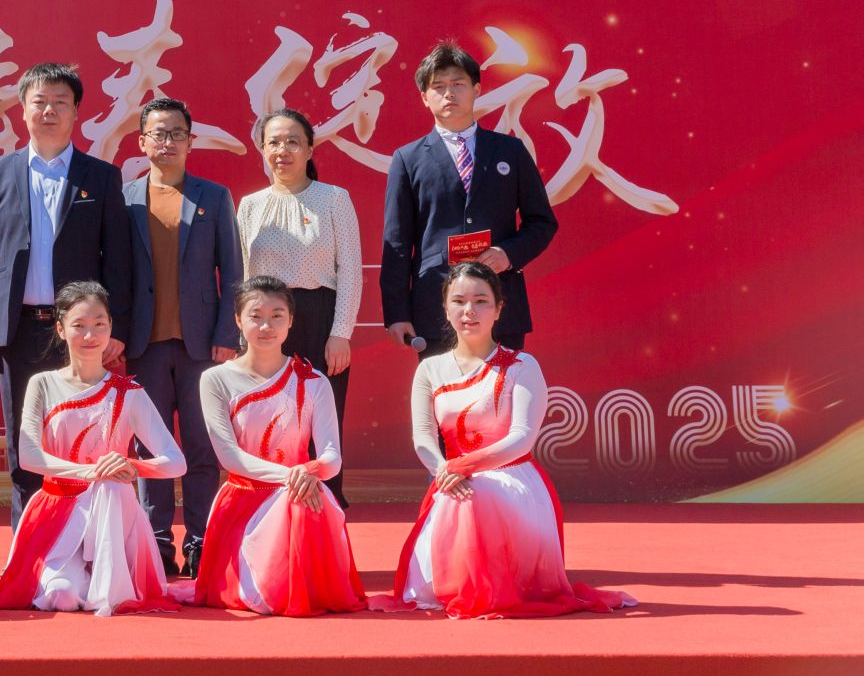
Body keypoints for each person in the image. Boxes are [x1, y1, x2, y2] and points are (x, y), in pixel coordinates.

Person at [374, 263, 634, 618]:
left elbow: (522, 438)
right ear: (445, 309)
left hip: (513, 480)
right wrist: (445, 471)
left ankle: (489, 586)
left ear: (498, 309)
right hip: (451, 480)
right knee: (464, 499)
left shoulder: (522, 365)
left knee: (476, 495)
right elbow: (423, 437)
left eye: (481, 301)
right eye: (459, 301)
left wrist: (466, 466)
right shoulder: (429, 370)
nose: (469, 310)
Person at [0, 63, 132, 522]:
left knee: (82, 436)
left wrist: (115, 328)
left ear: (76, 111)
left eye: (60, 102)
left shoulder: (100, 176)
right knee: (24, 441)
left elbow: (118, 258)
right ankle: (29, 540)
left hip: (81, 333)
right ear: (23, 110)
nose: (49, 111)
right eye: (39, 102)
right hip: (19, 329)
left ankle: (85, 536)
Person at [0, 282, 183, 616]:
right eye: (79, 325)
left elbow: (176, 462)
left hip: (113, 514)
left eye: (99, 324)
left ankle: (108, 581)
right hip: (57, 510)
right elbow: (30, 457)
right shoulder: (43, 384)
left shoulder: (128, 392)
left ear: (110, 328)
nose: (90, 335)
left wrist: (131, 466)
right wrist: (91, 471)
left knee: (112, 487)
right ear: (60, 329)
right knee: (60, 596)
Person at [185, 276, 364, 616]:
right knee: (260, 597)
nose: (266, 326)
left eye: (277, 316)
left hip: (300, 497)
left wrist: (306, 473)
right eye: (256, 316)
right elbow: (229, 457)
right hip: (243, 500)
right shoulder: (215, 379)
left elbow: (332, 457)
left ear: (291, 321)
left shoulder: (313, 381)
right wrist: (293, 475)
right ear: (238, 320)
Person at [122, 96, 240, 578]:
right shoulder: (125, 198)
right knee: (150, 448)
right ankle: (155, 541)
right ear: (142, 142)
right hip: (143, 344)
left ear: (191, 142)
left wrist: (228, 332)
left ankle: (199, 541)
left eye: (177, 134)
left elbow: (232, 270)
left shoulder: (214, 196)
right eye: (158, 133)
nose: (167, 142)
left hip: (201, 345)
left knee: (201, 446)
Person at [382, 41, 558, 358]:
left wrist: (508, 254)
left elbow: (542, 221)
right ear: (424, 97)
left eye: (458, 84)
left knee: (504, 387)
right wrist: (397, 313)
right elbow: (397, 243)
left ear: (476, 89)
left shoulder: (509, 150)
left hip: (501, 304)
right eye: (438, 86)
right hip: (436, 309)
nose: (449, 93)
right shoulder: (407, 159)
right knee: (445, 390)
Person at [237, 108, 362, 507]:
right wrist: (244, 335)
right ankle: (270, 500)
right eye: (273, 142)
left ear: (310, 149)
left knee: (321, 416)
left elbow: (350, 270)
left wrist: (340, 333)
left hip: (318, 319)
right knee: (270, 416)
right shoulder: (250, 206)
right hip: (266, 323)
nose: (283, 150)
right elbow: (244, 274)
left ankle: (326, 503)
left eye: (293, 141)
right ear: (262, 149)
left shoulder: (334, 199)